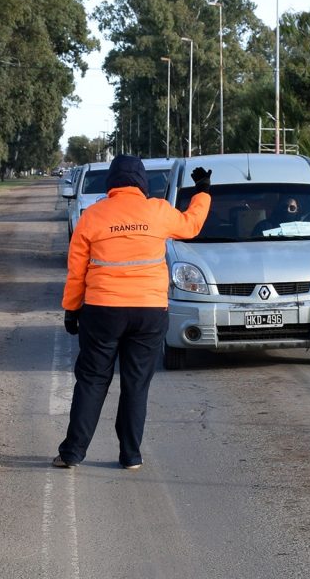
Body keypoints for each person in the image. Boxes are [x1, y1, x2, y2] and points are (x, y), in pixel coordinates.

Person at [55, 156, 212, 470]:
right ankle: (130, 455)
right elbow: (191, 226)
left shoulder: (93, 216)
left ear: (111, 182)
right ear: (142, 182)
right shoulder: (157, 212)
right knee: (136, 383)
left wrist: (71, 309)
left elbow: (77, 270)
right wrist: (203, 191)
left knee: (93, 380)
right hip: (149, 312)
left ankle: (72, 453)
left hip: (102, 311)